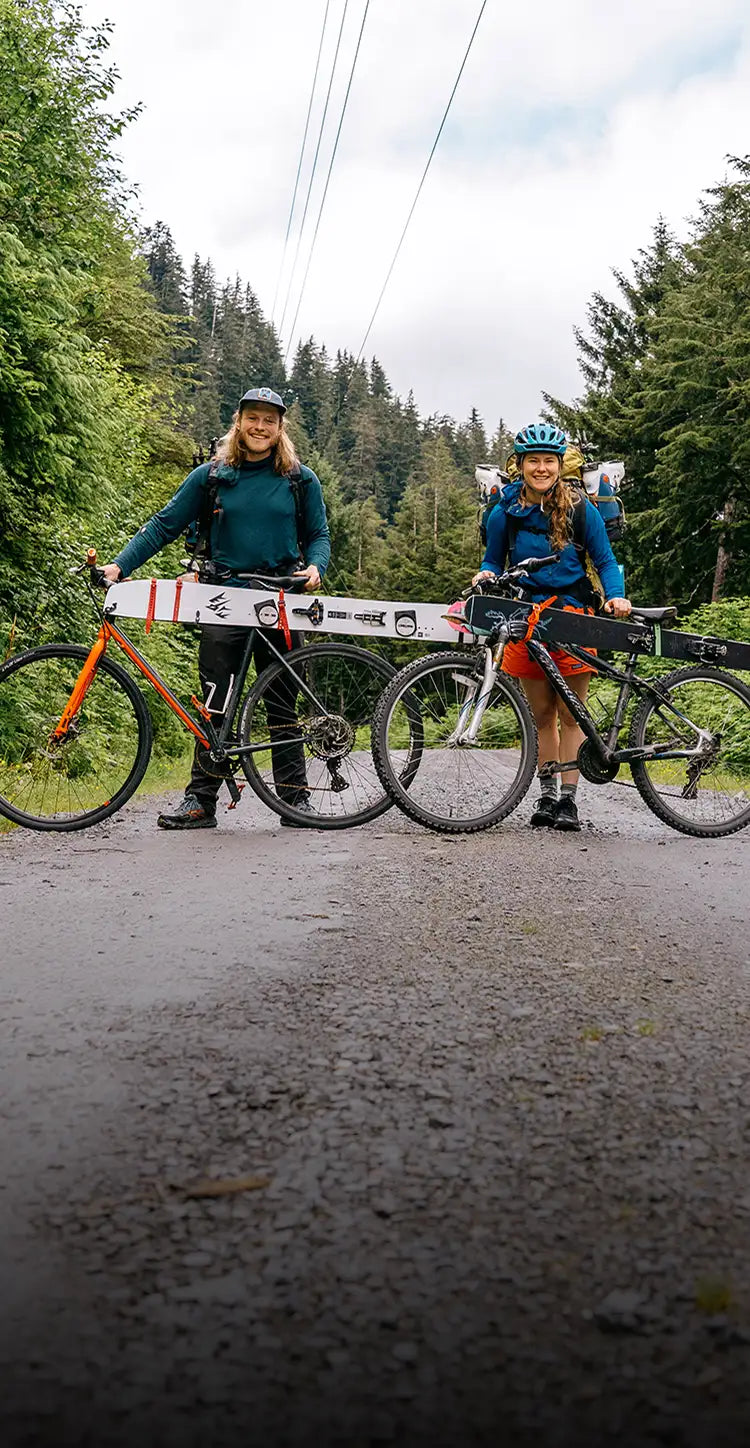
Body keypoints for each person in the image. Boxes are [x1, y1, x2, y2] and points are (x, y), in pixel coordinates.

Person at [101, 387, 331, 830]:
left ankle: (295, 799)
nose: (260, 427)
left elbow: (319, 534)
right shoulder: (212, 476)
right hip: (223, 600)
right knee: (215, 701)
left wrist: (316, 566)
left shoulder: (300, 480)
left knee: (282, 701)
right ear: (238, 421)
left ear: (280, 428)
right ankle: (200, 801)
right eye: (253, 418)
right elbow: (163, 525)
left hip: (280, 598)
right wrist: (118, 566)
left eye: (269, 420)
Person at [472, 422, 631, 833]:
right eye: (533, 461)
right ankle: (545, 796)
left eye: (548, 461)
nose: (541, 468)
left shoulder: (580, 508)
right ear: (520, 465)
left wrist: (616, 595)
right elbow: (494, 560)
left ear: (560, 466)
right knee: (542, 714)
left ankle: (569, 801)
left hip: (573, 616)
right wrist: (484, 576)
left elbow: (606, 560)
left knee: (570, 714)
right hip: (525, 619)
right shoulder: (504, 511)